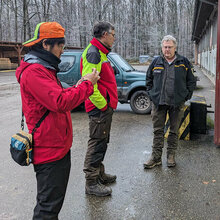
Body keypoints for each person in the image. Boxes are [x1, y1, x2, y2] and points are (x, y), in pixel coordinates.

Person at [15, 21, 100, 219]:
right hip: (49, 151)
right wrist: (87, 84)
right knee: (47, 209)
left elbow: (55, 97)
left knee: (53, 205)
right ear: (46, 44)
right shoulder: (34, 71)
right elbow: (60, 102)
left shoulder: (44, 68)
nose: (62, 49)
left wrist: (78, 86)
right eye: (60, 45)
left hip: (56, 147)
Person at [143, 35, 196, 169]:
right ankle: (155, 157)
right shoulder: (156, 62)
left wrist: (186, 96)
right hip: (159, 103)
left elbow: (191, 80)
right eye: (165, 47)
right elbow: (148, 80)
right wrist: (151, 95)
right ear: (162, 48)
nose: (167, 50)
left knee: (174, 131)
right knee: (158, 131)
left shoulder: (183, 62)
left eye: (170, 47)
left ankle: (171, 156)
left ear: (175, 47)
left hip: (176, 103)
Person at [80, 21, 118, 196]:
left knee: (102, 141)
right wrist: (103, 105)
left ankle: (99, 174)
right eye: (113, 34)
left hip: (104, 107)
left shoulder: (100, 52)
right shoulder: (93, 53)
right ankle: (91, 183)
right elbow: (89, 85)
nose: (114, 38)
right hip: (99, 109)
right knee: (96, 143)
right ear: (104, 35)